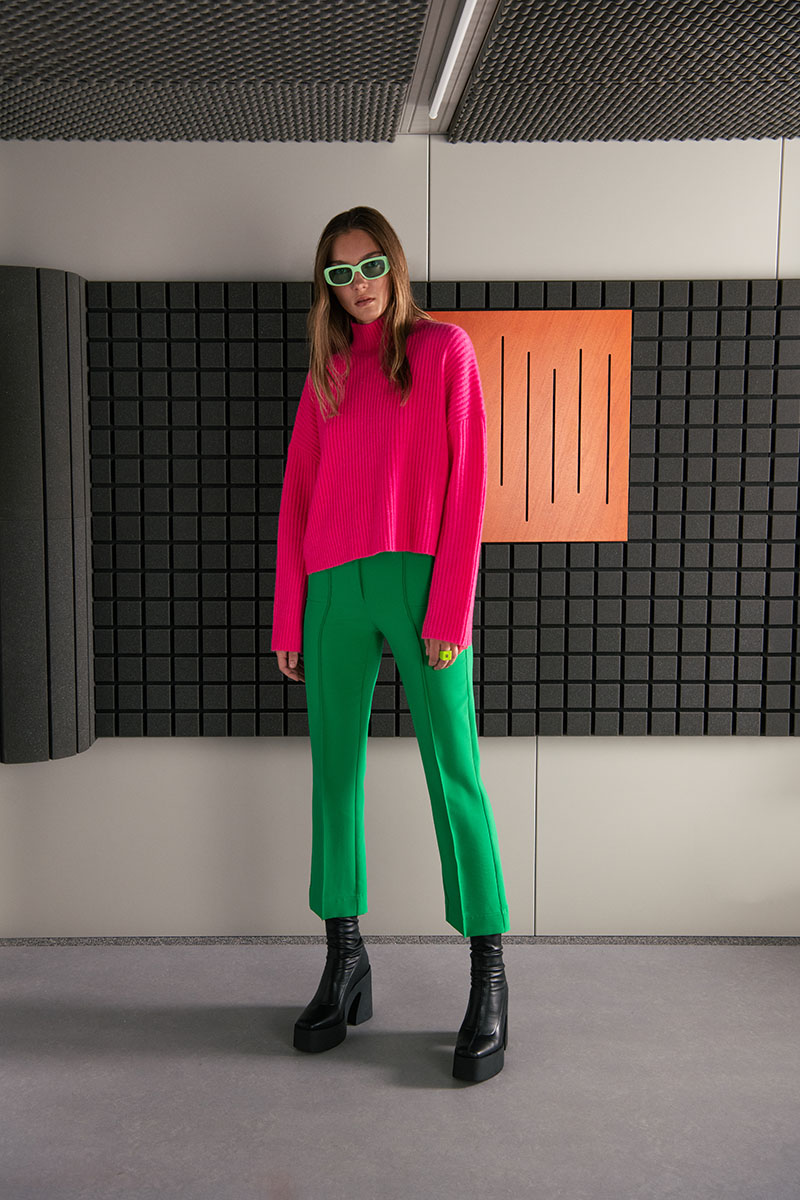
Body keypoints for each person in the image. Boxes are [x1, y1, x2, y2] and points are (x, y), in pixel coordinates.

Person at [271, 205, 510, 1083]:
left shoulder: (445, 350)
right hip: (333, 589)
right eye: (340, 273)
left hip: (419, 582)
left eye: (370, 265)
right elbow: (298, 493)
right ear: (326, 287)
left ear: (394, 265)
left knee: (456, 773)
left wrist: (450, 609)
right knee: (334, 776)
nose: (359, 285)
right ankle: (345, 960)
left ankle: (489, 976)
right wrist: (289, 614)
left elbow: (469, 485)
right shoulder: (327, 372)